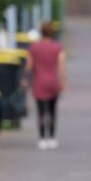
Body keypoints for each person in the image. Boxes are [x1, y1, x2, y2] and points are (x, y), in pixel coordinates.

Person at [25, 22, 66, 150]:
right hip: (53, 82)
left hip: (39, 83)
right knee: (52, 111)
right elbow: (61, 67)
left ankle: (42, 139)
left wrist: (25, 78)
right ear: (52, 33)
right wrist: (63, 82)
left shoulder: (33, 48)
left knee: (41, 112)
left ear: (41, 32)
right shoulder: (57, 48)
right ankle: (52, 138)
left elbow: (29, 66)